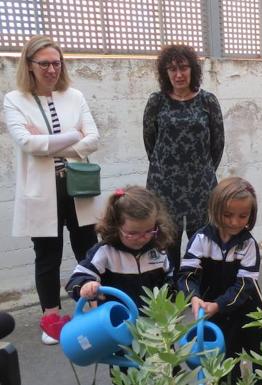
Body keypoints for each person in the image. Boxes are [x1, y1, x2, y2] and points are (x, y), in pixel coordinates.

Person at [3, 35, 100, 345]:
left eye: (56, 63)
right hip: (42, 191)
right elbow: (27, 143)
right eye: (43, 63)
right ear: (29, 66)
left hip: (77, 184)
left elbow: (93, 139)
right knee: (47, 256)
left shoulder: (75, 96)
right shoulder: (15, 99)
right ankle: (52, 319)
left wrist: (51, 143)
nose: (51, 69)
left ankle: (93, 308)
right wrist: (74, 136)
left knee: (89, 249)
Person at [143, 44, 225, 275]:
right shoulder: (156, 102)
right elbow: (150, 143)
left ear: (193, 70)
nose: (178, 74)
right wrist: (167, 169)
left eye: (183, 68)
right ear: (164, 73)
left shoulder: (208, 101)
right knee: (166, 239)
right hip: (164, 185)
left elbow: (217, 144)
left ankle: (196, 285)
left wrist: (202, 170)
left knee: (202, 238)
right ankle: (170, 288)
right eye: (171, 69)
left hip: (201, 185)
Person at [177, 177, 262, 374]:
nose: (235, 222)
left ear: (251, 215)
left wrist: (220, 305)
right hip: (211, 310)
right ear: (215, 211)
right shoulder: (200, 239)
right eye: (227, 215)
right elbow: (187, 275)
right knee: (224, 361)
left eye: (243, 216)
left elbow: (245, 285)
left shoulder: (248, 245)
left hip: (248, 310)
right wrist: (195, 297)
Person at [65, 186, 176, 310]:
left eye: (149, 231)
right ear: (116, 226)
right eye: (133, 233)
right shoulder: (105, 252)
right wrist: (85, 285)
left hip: (153, 323)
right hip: (117, 324)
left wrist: (170, 298)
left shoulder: (159, 250)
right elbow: (75, 280)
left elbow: (170, 279)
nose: (142, 238)